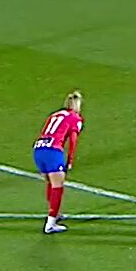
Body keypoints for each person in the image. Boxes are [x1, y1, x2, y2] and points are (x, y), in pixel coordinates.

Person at [32, 91, 84, 234]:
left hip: (38, 149)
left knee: (50, 182)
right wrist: (70, 160)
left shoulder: (55, 115)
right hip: (53, 152)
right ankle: (51, 224)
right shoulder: (75, 118)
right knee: (58, 186)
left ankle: (55, 213)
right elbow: (73, 140)